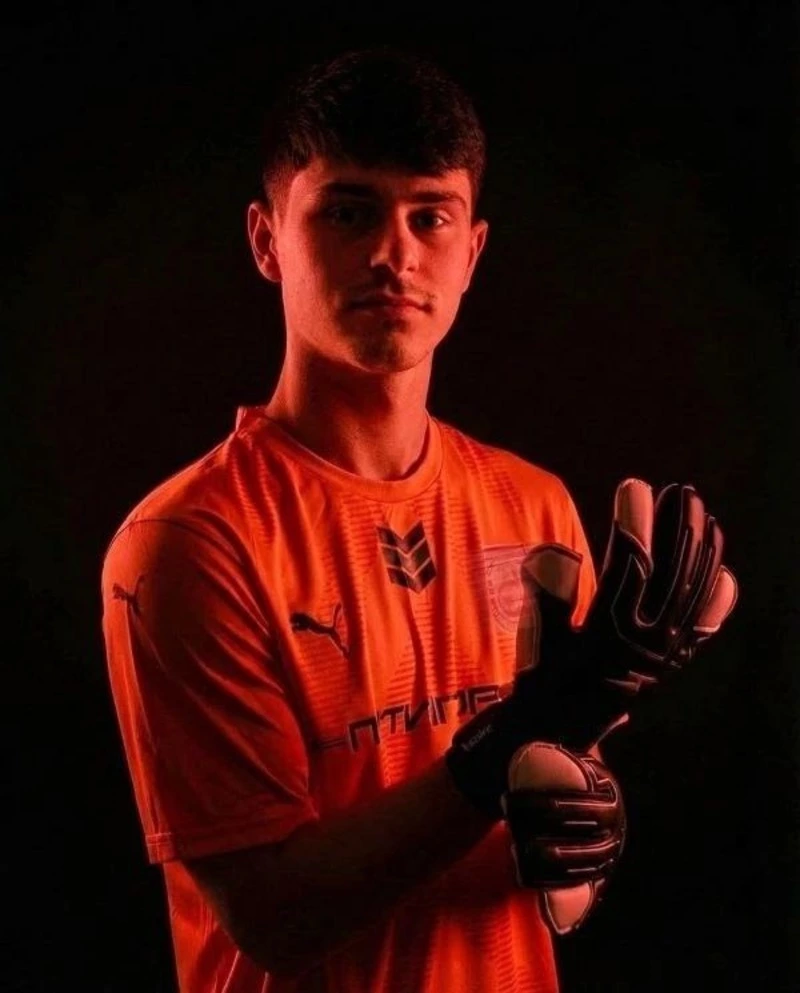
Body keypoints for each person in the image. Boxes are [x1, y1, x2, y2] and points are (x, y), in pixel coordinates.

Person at [101, 46, 736, 993]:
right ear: (268, 240)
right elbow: (276, 917)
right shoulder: (188, 544)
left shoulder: (533, 504)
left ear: (471, 252)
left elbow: (556, 788)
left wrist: (588, 827)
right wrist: (510, 743)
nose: (393, 254)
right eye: (348, 211)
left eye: (428, 216)